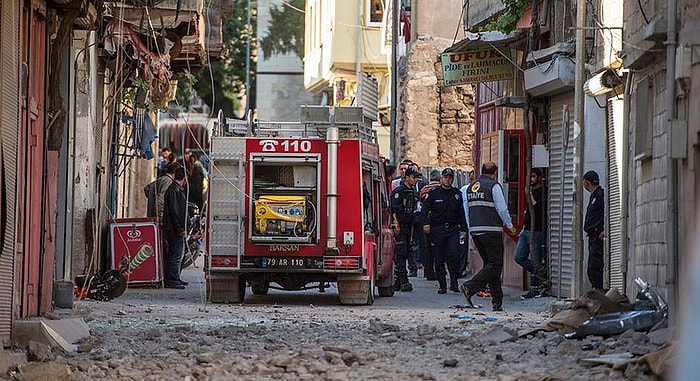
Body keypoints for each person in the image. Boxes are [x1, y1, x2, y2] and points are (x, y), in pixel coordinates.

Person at [460, 162, 517, 311]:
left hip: (476, 230)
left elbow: (467, 209)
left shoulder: (471, 187)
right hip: (491, 230)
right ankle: (470, 287)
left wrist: (470, 228)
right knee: (496, 264)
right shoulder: (493, 186)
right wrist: (510, 226)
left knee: (491, 266)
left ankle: (497, 302)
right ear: (495, 173)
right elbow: (502, 208)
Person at [420, 168, 468, 294]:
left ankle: (453, 282)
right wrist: (425, 223)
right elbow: (424, 211)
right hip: (438, 229)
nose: (448, 179)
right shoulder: (434, 193)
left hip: (452, 228)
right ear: (441, 178)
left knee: (454, 255)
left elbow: (461, 213)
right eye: (446, 177)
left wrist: (464, 229)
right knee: (439, 257)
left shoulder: (456, 194)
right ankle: (442, 285)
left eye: (450, 177)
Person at [515, 168, 548, 299]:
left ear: (539, 178)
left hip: (536, 231)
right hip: (526, 229)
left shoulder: (543, 192)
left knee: (536, 260)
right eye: (530, 177)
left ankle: (535, 288)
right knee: (519, 257)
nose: (531, 180)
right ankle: (539, 274)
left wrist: (530, 195)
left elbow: (538, 208)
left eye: (533, 177)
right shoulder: (531, 192)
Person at [390, 167, 421, 292]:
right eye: (413, 177)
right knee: (401, 254)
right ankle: (403, 281)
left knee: (407, 252)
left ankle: (397, 282)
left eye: (416, 178)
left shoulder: (413, 192)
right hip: (401, 226)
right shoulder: (399, 191)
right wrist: (396, 223)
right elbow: (393, 209)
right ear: (407, 177)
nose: (415, 180)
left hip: (409, 226)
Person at [161, 166, 189, 289]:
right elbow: (175, 212)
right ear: (184, 177)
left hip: (173, 227)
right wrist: (180, 229)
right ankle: (172, 279)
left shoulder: (176, 190)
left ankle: (175, 277)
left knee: (177, 253)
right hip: (173, 228)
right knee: (175, 254)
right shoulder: (175, 191)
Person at [418, 169, 442, 280]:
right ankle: (438, 271)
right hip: (438, 221)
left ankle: (428, 271)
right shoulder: (439, 189)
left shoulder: (424, 189)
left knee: (427, 247)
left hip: (426, 220)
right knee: (438, 247)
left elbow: (421, 204)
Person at [583, 170, 605, 290]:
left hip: (597, 237)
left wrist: (604, 230)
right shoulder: (594, 196)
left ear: (586, 183)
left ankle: (599, 293)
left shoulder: (600, 195)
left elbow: (608, 213)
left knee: (594, 268)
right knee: (592, 268)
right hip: (592, 237)